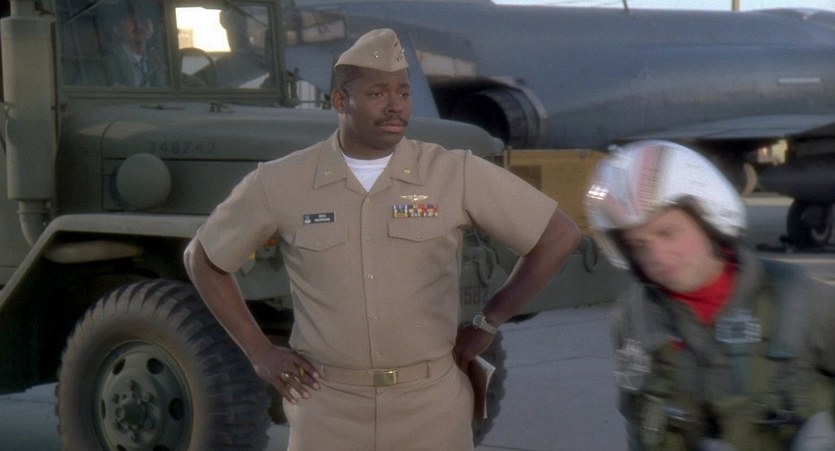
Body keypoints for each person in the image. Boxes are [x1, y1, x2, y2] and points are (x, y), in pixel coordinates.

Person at [183, 28, 580, 450]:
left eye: (403, 93)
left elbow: (558, 235)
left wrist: (489, 320)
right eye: (377, 94)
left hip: (431, 408)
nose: (396, 106)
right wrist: (259, 352)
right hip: (328, 409)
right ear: (340, 101)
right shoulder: (281, 182)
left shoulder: (453, 173)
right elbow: (202, 259)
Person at [584, 140, 835, 450]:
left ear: (709, 221)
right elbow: (639, 425)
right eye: (638, 245)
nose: (657, 256)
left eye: (667, 232)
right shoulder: (635, 319)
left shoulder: (799, 300)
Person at [102, 2, 167, 87]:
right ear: (116, 29)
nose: (139, 26)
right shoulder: (106, 62)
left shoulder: (161, 60)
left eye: (143, 19)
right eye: (131, 21)